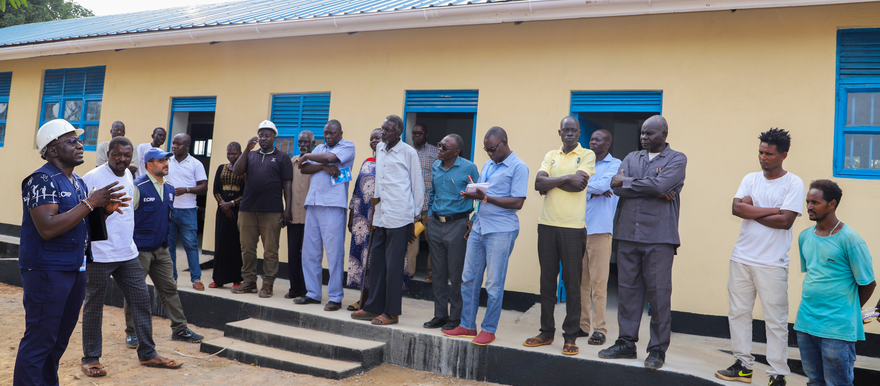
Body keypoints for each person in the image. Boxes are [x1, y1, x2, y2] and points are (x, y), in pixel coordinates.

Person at [15, 119, 126, 385]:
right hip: (47, 272)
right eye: (71, 141)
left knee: (58, 340)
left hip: (74, 269)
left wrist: (102, 212)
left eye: (78, 140)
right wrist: (90, 203)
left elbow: (82, 225)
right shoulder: (40, 181)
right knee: (40, 339)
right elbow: (47, 228)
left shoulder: (76, 181)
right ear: (53, 150)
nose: (80, 146)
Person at [81, 137, 182, 376]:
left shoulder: (128, 176)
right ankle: (91, 358)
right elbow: (81, 212)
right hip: (100, 253)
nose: (123, 159)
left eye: (127, 155)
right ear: (109, 154)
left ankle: (148, 353)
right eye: (118, 155)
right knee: (94, 306)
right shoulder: (92, 177)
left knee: (141, 300)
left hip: (127, 252)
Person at [715, 128, 803, 386]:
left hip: (772, 263)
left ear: (783, 155)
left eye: (769, 153)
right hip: (741, 258)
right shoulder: (750, 178)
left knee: (775, 321)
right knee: (738, 314)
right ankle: (743, 365)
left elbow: (785, 221)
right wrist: (772, 210)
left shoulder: (793, 183)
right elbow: (735, 208)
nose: (763, 157)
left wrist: (751, 210)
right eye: (761, 152)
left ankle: (777, 374)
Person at [599, 115, 686, 370]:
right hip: (628, 234)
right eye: (642, 133)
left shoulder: (677, 159)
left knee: (659, 296)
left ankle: (657, 350)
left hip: (659, 238)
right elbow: (616, 189)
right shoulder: (630, 158)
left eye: (650, 134)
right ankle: (626, 343)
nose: (644, 138)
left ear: (665, 134)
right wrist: (653, 189)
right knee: (628, 293)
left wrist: (630, 182)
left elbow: (660, 183)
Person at [443, 126, 529, 346]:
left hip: (501, 230)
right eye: (486, 150)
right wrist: (472, 197)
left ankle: (489, 329)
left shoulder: (519, 167)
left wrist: (486, 197)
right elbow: (482, 193)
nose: (489, 154)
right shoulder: (488, 165)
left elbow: (518, 202)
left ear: (504, 142)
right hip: (480, 226)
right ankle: (467, 325)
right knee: (468, 278)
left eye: (492, 149)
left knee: (493, 284)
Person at [525, 116, 595, 356]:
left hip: (573, 229)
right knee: (547, 281)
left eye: (573, 130)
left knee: (573, 284)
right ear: (560, 132)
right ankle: (546, 332)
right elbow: (537, 183)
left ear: (578, 133)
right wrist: (566, 177)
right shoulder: (550, 155)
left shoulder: (587, 155)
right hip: (546, 225)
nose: (569, 133)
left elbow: (579, 185)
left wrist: (551, 182)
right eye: (565, 130)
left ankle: (570, 336)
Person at [795, 180, 875, 386]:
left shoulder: (850, 239)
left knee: (838, 383)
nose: (809, 206)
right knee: (815, 381)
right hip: (806, 323)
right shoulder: (805, 237)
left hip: (837, 328)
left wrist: (851, 310)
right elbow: (815, 275)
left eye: (815, 202)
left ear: (831, 204)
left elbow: (868, 283)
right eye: (808, 202)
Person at [124, 147, 204, 350]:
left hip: (161, 250)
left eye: (167, 160)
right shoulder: (137, 186)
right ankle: (132, 333)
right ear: (150, 165)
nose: (166, 163)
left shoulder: (169, 188)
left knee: (169, 289)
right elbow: (125, 219)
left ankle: (179, 329)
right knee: (135, 292)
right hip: (139, 250)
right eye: (161, 161)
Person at [351, 115, 424, 325]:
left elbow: (417, 184)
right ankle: (373, 307)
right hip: (381, 214)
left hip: (401, 216)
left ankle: (392, 313)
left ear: (398, 133)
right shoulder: (381, 150)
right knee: (377, 263)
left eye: (388, 130)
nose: (383, 133)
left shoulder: (408, 152)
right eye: (382, 129)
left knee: (393, 267)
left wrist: (415, 216)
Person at [345, 128, 411, 311]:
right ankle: (364, 299)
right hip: (362, 218)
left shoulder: (393, 161)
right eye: (371, 138)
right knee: (364, 259)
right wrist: (352, 215)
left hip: (384, 219)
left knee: (379, 260)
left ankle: (380, 301)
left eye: (377, 137)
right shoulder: (366, 162)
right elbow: (357, 191)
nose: (374, 141)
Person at [295, 120, 355, 311]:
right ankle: (313, 293)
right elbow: (303, 168)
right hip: (313, 204)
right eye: (326, 133)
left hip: (333, 205)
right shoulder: (319, 147)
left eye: (333, 133)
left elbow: (329, 158)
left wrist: (309, 156)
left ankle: (335, 297)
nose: (329, 137)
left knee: (334, 254)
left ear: (341, 133)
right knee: (310, 253)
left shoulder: (347, 146)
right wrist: (322, 167)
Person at [423, 134, 479, 331]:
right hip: (436, 224)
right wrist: (429, 215)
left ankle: (455, 318)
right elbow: (432, 193)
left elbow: (480, 196)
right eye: (439, 145)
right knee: (438, 274)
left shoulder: (469, 168)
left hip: (457, 226)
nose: (439, 149)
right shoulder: (436, 167)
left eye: (444, 147)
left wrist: (472, 220)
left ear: (456, 152)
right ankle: (440, 315)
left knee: (456, 275)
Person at [232, 120, 293, 298]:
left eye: (268, 135)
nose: (264, 138)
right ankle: (249, 282)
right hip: (248, 209)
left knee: (271, 249)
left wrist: (287, 209)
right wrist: (246, 149)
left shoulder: (282, 158)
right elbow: (237, 171)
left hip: (272, 210)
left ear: (274, 137)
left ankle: (268, 284)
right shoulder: (250, 156)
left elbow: (287, 184)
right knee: (247, 248)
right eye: (261, 135)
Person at [579, 129, 621, 346]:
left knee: (599, 283)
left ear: (608, 143)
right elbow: (572, 185)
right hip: (579, 228)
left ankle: (600, 329)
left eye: (597, 139)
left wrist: (585, 186)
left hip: (600, 231)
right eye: (591, 139)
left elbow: (605, 186)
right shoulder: (584, 161)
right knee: (581, 282)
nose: (592, 142)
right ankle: (583, 325)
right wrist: (590, 189)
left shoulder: (616, 164)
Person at [165, 133, 208, 289]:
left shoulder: (196, 164)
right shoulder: (167, 161)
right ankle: (172, 278)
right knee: (169, 246)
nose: (174, 146)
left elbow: (204, 186)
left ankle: (196, 279)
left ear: (187, 147)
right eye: (173, 143)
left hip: (188, 211)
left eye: (178, 144)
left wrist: (187, 190)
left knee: (190, 245)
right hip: (169, 209)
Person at [284, 130, 315, 300]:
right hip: (294, 216)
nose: (303, 145)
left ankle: (308, 290)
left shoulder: (317, 162)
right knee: (293, 253)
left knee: (309, 254)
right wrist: (286, 210)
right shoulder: (291, 162)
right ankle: (295, 288)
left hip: (312, 217)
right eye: (300, 142)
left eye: (306, 142)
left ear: (313, 143)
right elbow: (286, 188)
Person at [210, 142, 245, 288]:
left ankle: (237, 279)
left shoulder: (244, 170)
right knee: (221, 243)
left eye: (234, 154)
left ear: (240, 153)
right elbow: (216, 190)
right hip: (222, 211)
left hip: (238, 211)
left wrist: (232, 204)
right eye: (229, 153)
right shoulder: (220, 168)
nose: (231, 156)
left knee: (235, 244)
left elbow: (246, 192)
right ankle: (218, 278)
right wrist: (224, 205)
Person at [407, 123, 438, 280]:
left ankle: (431, 273)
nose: (417, 135)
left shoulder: (435, 152)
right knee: (411, 242)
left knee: (433, 241)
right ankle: (409, 273)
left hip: (429, 206)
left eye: (420, 133)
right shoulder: (406, 152)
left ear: (426, 135)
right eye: (414, 133)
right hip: (411, 207)